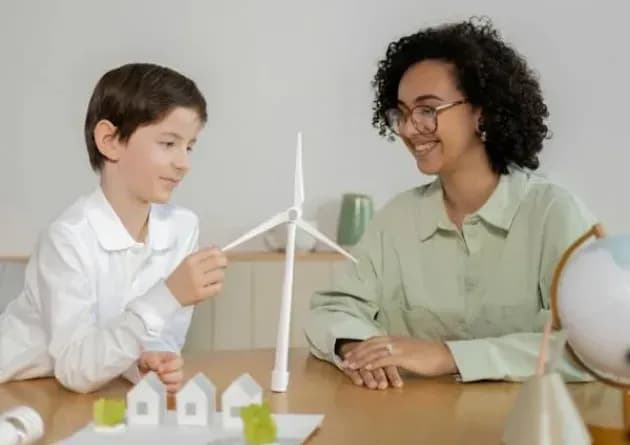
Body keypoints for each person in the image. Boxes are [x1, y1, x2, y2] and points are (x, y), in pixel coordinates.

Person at [305, 17, 595, 389]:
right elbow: (333, 309)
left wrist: (448, 356)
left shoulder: (553, 213)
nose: (410, 129)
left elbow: (593, 348)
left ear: (482, 111)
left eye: (428, 110)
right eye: (403, 113)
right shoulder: (397, 219)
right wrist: (355, 344)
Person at [0, 63, 227, 393]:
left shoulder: (182, 228)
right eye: (168, 143)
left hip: (78, 391)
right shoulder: (67, 238)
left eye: (189, 146)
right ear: (110, 141)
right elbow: (75, 368)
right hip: (16, 385)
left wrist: (146, 362)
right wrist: (169, 294)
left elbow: (158, 336)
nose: (184, 163)